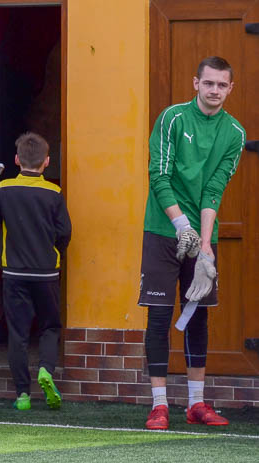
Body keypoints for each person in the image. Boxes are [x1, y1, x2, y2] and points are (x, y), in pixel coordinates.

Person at [139, 57, 245, 430]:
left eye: (222, 85)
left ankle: (196, 403)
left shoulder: (235, 133)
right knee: (159, 315)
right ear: (195, 83)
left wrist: (204, 243)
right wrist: (181, 225)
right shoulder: (172, 118)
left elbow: (214, 189)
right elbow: (159, 174)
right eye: (209, 83)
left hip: (201, 235)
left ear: (230, 88)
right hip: (163, 229)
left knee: (199, 315)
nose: (214, 90)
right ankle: (159, 405)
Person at [0, 132, 71, 412]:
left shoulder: (5, 188)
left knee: (18, 333)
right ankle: (45, 370)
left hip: (14, 273)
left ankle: (22, 394)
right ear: (47, 162)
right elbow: (65, 233)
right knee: (49, 327)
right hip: (46, 272)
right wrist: (54, 253)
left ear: (17, 160)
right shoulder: (54, 193)